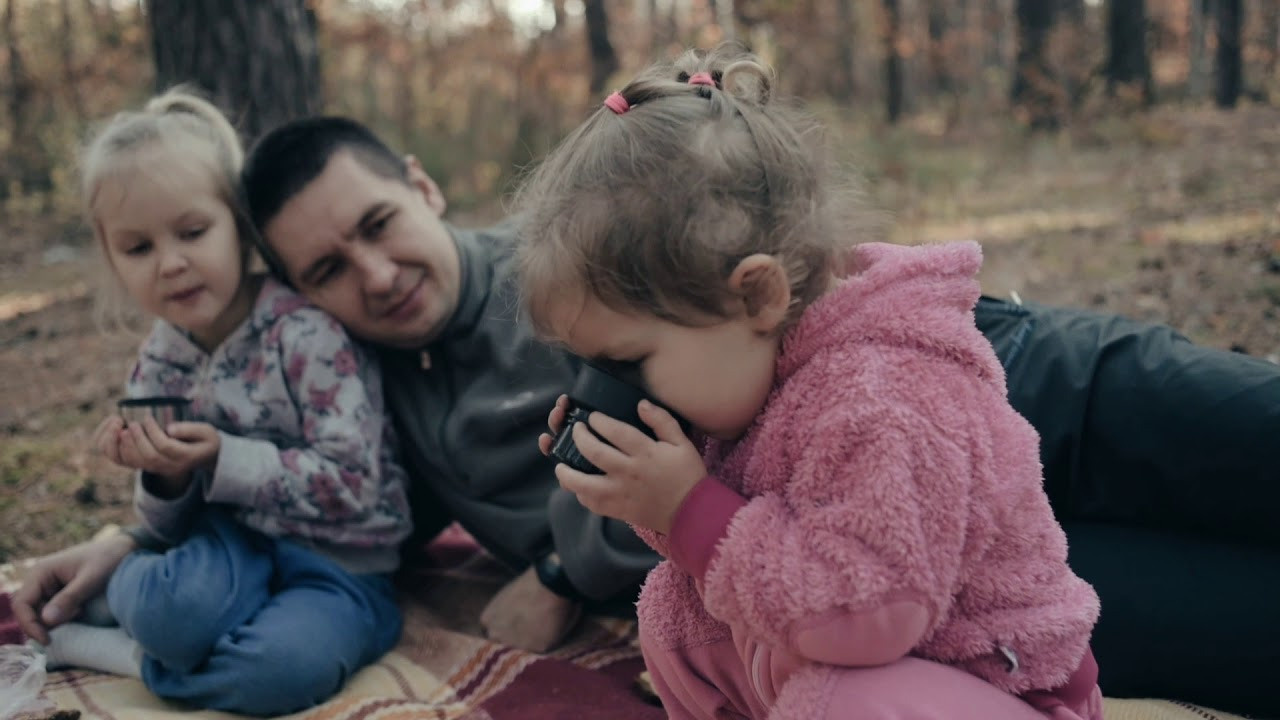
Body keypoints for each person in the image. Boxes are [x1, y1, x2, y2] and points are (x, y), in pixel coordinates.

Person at [13, 86, 1280, 717]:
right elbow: (315, 473)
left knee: (1241, 431)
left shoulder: (564, 267)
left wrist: (568, 575)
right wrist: (136, 527)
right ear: (293, 296)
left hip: (1007, 381)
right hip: (927, 556)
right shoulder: (374, 396)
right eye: (326, 271)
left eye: (379, 225)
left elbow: (716, 188)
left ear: (420, 184)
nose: (377, 275)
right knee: (1232, 624)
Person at [513, 45, 1102, 719]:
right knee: (676, 619)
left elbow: (872, 615)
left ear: (758, 295)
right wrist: (651, 501)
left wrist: (687, 508)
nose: (614, 389)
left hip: (997, 689)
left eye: (628, 363)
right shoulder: (750, 372)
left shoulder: (882, 396)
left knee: (841, 699)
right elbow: (751, 546)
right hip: (864, 655)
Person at [34, 89, 412, 715]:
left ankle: (116, 653)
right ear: (112, 259)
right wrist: (163, 474)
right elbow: (164, 528)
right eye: (139, 248)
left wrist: (221, 458)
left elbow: (353, 485)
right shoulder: (160, 358)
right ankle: (132, 606)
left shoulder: (307, 335)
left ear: (239, 227)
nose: (172, 264)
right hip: (228, 548)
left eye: (191, 231)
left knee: (279, 670)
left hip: (343, 563)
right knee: (166, 611)